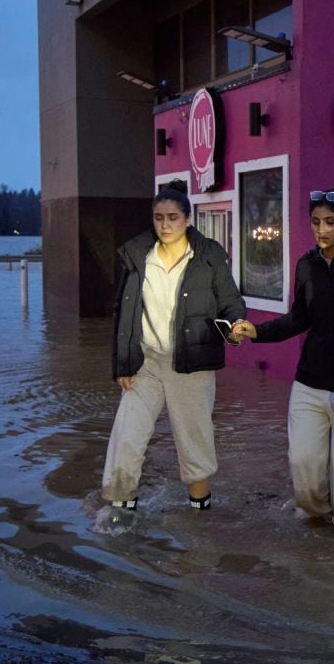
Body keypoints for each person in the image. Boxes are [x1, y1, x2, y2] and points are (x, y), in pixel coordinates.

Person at [230, 189, 334, 533]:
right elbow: (298, 318)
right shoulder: (306, 265)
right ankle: (317, 539)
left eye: (330, 222)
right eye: (316, 222)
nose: (322, 229)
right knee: (303, 468)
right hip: (309, 384)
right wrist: (255, 331)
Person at [102, 178, 246, 518]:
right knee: (127, 439)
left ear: (188, 218)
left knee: (195, 445)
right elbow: (123, 312)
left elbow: (230, 301)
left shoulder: (208, 255)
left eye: (172, 217)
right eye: (158, 217)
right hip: (146, 365)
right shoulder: (138, 255)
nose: (165, 225)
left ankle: (200, 517)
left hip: (192, 363)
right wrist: (122, 365)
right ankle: (120, 519)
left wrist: (237, 323)